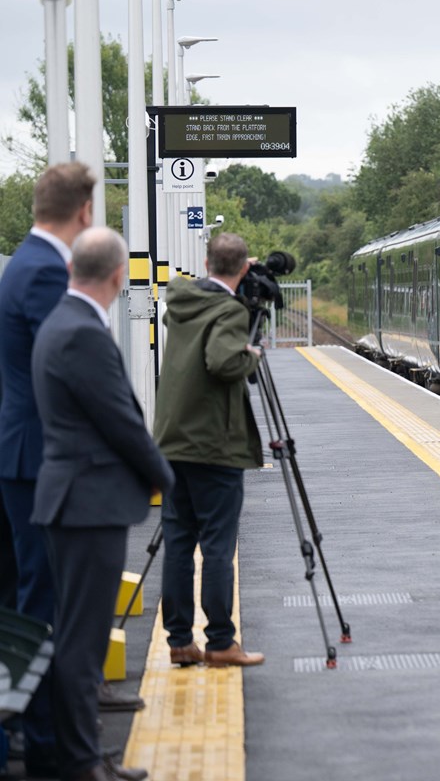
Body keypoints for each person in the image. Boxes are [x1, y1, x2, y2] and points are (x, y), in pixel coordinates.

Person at [31, 227, 173, 781]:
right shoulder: (83, 332)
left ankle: (77, 755)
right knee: (82, 641)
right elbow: (122, 422)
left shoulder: (60, 322)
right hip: (88, 503)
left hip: (71, 498)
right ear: (119, 275)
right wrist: (167, 480)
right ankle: (81, 762)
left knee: (74, 634)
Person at [0, 161, 94, 777]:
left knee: (30, 596)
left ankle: (43, 735)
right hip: (37, 459)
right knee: (42, 601)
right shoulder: (41, 273)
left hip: (24, 453)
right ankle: (46, 745)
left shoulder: (19, 264)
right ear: (85, 213)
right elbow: (58, 368)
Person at [154, 232, 266, 668]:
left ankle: (180, 640)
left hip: (172, 441)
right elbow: (223, 362)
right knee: (218, 546)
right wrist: (252, 354)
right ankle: (221, 642)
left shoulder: (183, 304)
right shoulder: (228, 310)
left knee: (179, 543)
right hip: (213, 447)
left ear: (205, 263)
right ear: (242, 270)